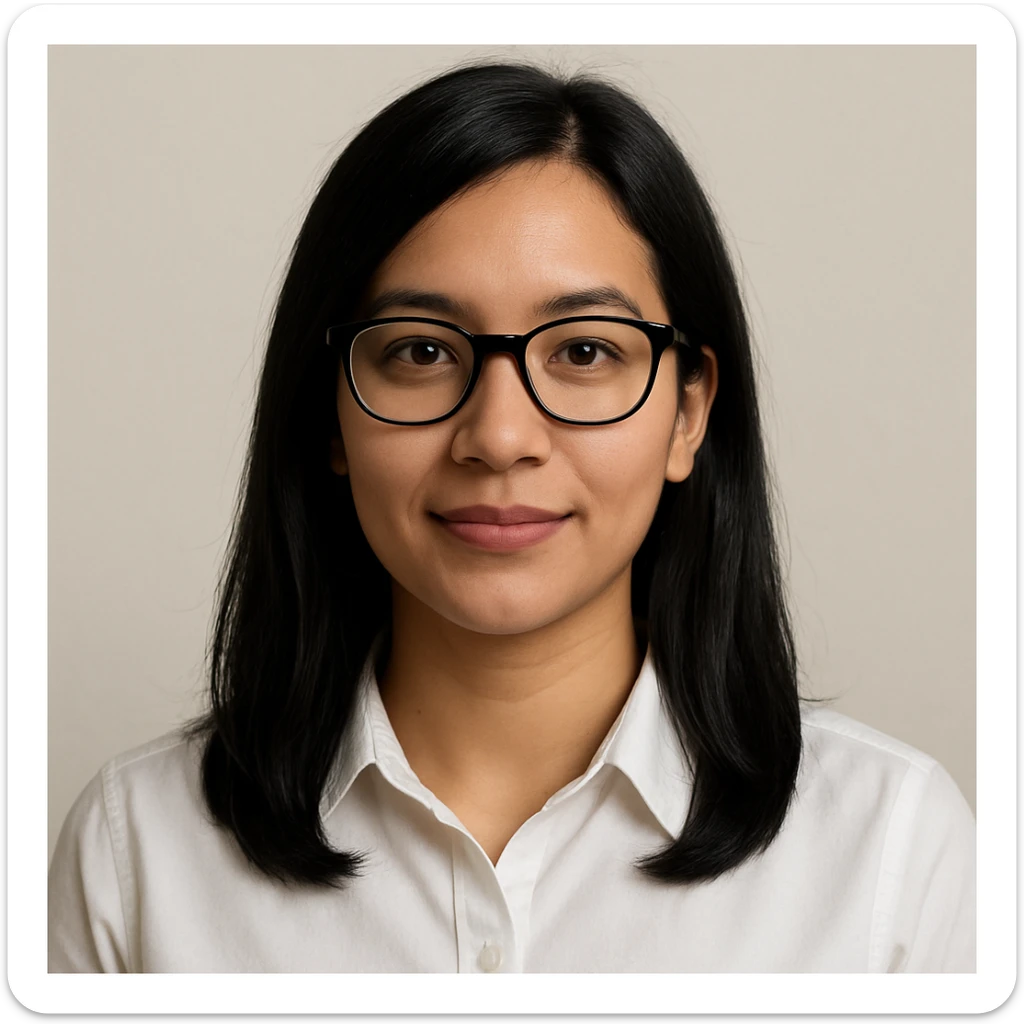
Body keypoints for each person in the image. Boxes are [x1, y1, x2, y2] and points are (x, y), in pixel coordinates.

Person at [48, 59, 975, 974]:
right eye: (420, 351)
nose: (498, 437)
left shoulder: (892, 857)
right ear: (330, 411)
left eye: (584, 351)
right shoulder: (135, 857)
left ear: (688, 413)